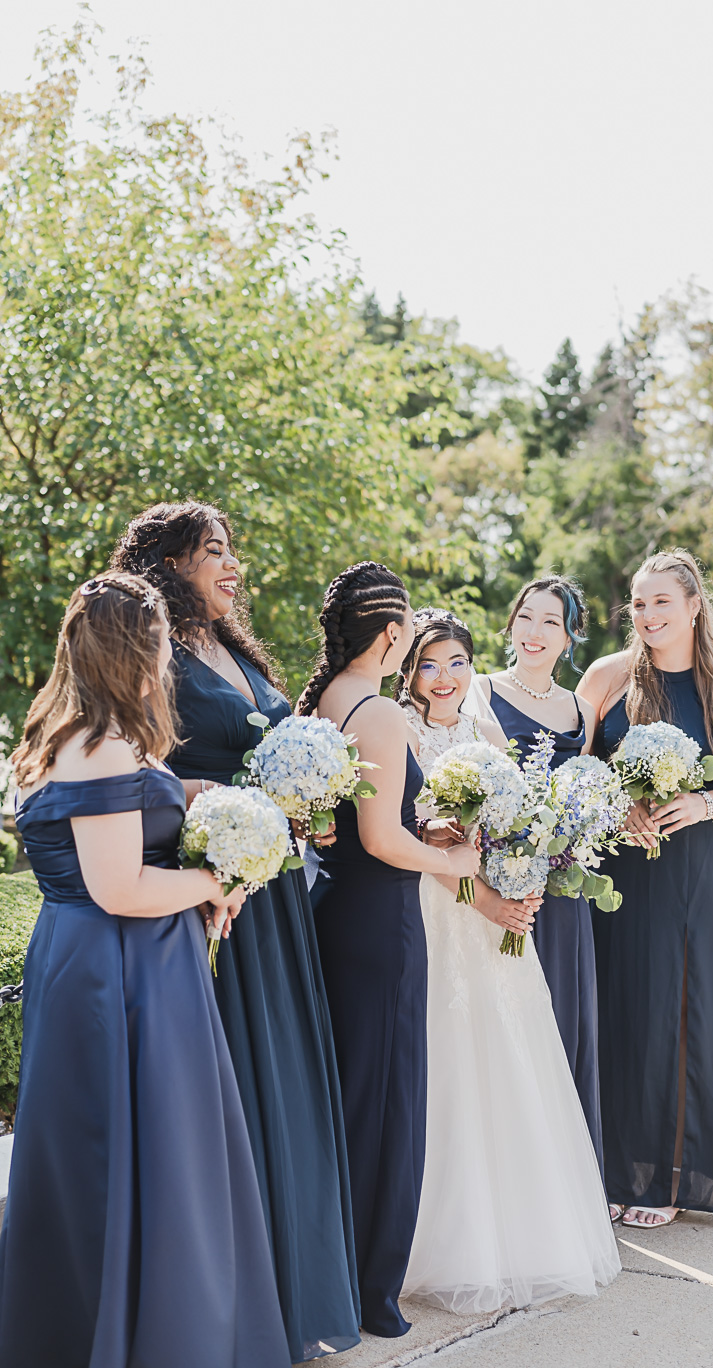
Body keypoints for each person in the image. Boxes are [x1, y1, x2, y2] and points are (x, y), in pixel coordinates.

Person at [0, 572, 289, 1368]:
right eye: (160, 644)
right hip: (117, 972)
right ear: (135, 647)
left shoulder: (85, 735)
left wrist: (196, 806)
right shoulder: (101, 745)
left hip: (117, 959)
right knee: (131, 1154)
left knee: (149, 1152)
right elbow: (120, 887)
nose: (167, 662)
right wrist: (215, 882)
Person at [110, 504, 361, 1362]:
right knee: (238, 1083)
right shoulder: (152, 654)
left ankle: (297, 1290)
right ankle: (238, 1304)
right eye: (214, 553)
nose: (233, 568)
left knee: (285, 1070)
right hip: (215, 896)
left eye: (231, 553)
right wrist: (216, 806)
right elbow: (139, 768)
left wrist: (303, 806)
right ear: (170, 564)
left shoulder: (237, 651)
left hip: (274, 887)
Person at [398, 610, 620, 1314]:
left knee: (510, 1056)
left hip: (494, 912)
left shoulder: (486, 729)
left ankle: (526, 1234)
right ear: (409, 670)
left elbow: (518, 820)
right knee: (448, 1058)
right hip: (440, 908)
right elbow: (422, 846)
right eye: (430, 664)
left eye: (457, 661)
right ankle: (439, 1240)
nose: (445, 678)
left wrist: (521, 883)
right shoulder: (399, 731)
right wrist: (485, 896)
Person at [298, 565, 480, 1338]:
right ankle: (372, 1293)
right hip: (381, 925)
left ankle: (334, 1272)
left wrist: (422, 833)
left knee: (348, 1097)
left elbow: (358, 823)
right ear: (393, 633)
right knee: (386, 1106)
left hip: (336, 913)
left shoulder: (321, 701)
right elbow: (381, 838)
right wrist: (456, 862)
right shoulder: (374, 713)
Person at [577, 549, 713, 1228]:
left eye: (662, 601)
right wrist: (615, 805)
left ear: (694, 606)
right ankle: (613, 1167)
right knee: (618, 1011)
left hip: (700, 872)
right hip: (621, 871)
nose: (648, 615)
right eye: (638, 603)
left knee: (680, 1017)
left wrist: (707, 804)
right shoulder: (606, 678)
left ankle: (668, 1177)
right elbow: (569, 775)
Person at [476, 576, 603, 1161]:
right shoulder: (479, 691)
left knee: (561, 1014)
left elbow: (582, 792)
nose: (535, 632)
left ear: (569, 635)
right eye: (526, 617)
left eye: (550, 622)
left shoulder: (579, 707)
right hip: (500, 884)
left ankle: (565, 1169)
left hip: (562, 887)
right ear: (511, 624)